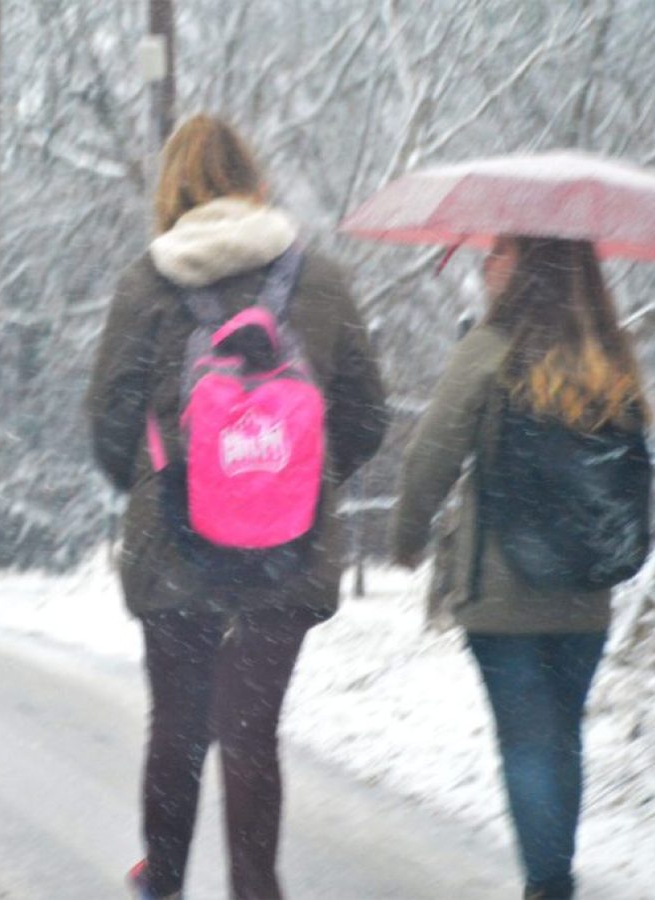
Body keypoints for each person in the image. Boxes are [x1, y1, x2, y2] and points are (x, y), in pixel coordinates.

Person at [84, 113, 387, 900]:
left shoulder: (147, 282)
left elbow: (109, 421)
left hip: (174, 546)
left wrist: (165, 490)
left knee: (179, 731)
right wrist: (288, 485)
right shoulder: (318, 281)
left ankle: (168, 883)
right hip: (287, 547)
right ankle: (257, 889)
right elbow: (365, 417)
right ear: (255, 181)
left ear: (173, 189)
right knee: (252, 736)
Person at [391, 235, 651, 900]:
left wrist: (408, 535)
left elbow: (431, 455)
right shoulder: (609, 356)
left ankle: (547, 884)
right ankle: (553, 877)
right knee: (561, 736)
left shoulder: (488, 349)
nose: (486, 262)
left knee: (528, 743)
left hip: (502, 592)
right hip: (586, 594)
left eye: (501, 250)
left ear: (532, 264)